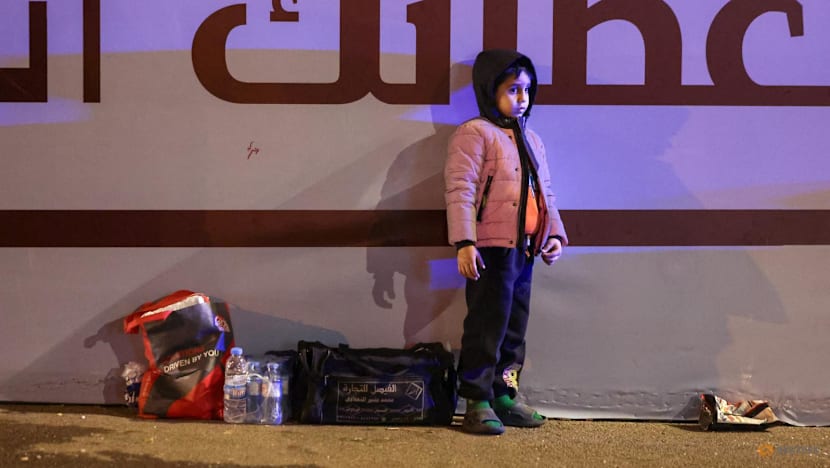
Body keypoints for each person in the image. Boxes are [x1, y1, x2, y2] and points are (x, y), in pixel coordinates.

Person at [444, 49, 568, 435]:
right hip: (491, 250)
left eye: (527, 90)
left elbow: (545, 192)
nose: (522, 98)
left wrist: (553, 233)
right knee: (487, 325)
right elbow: (460, 190)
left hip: (525, 249)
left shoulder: (532, 139)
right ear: (489, 90)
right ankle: (476, 400)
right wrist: (465, 241)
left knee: (514, 329)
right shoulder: (474, 134)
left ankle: (504, 395)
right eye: (513, 89)